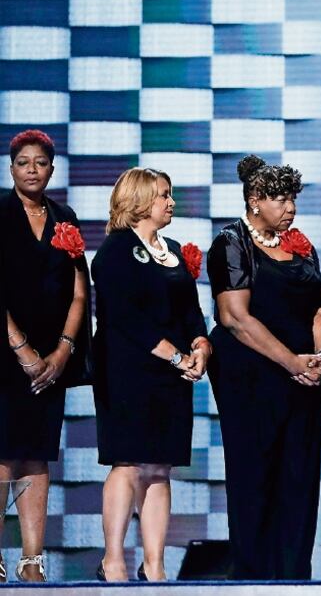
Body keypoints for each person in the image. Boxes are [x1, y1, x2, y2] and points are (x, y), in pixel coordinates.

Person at [207, 155, 321, 580]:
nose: (291, 208)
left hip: (302, 376)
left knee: (298, 473)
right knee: (254, 471)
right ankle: (252, 575)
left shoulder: (301, 244)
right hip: (249, 373)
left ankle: (294, 574)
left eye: (293, 198)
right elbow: (235, 318)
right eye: (281, 199)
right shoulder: (230, 242)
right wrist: (289, 360)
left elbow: (320, 309)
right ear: (255, 200)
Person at [92, 168, 209, 582]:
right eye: (163, 195)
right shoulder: (115, 251)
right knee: (128, 463)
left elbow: (190, 309)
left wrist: (199, 345)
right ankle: (114, 561)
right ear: (140, 200)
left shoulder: (173, 250)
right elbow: (126, 318)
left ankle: (155, 566)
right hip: (126, 372)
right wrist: (176, 357)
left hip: (171, 375)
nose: (171, 201)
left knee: (160, 467)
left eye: (171, 194)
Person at [0, 130, 90, 582]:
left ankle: (32, 560)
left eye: (40, 163)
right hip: (5, 355)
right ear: (11, 167)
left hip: (50, 362)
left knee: (36, 455)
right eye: (23, 162)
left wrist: (61, 353)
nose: (32, 169)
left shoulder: (64, 217)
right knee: (2, 453)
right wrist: (22, 350)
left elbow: (79, 293)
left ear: (52, 169)